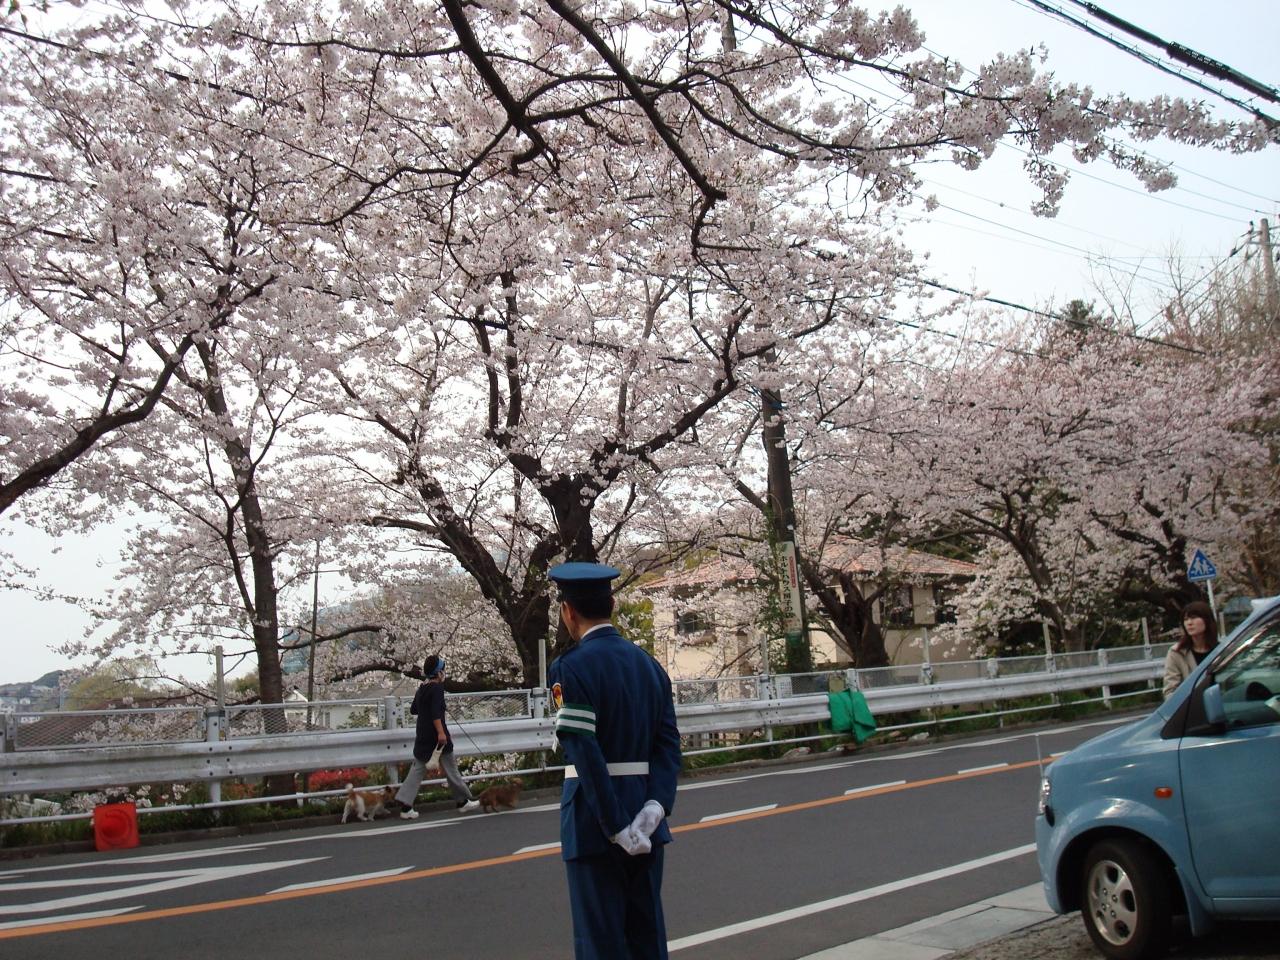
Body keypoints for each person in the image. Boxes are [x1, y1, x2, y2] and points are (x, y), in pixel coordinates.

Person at [547, 561, 682, 960]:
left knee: (600, 942)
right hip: (646, 816)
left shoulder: (569, 668)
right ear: (613, 605)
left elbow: (584, 751)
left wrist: (616, 826)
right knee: (646, 936)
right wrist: (654, 808)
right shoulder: (650, 666)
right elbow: (668, 743)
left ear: (568, 611)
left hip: (594, 822)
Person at [389, 654, 480, 818]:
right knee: (451, 768)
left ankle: (405, 806)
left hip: (422, 734)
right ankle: (463, 801)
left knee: (417, 769)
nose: (444, 673)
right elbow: (436, 713)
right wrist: (441, 733)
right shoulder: (437, 688)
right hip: (437, 737)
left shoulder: (422, 688)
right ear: (439, 672)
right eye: (443, 670)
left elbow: (414, 710)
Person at [1162, 600, 1219, 700]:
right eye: (1186, 619)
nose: (1189, 623)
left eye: (1194, 618)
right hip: (1191, 706)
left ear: (1207, 620)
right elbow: (1170, 690)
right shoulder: (1176, 652)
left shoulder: (1220, 650)